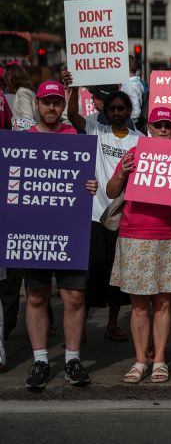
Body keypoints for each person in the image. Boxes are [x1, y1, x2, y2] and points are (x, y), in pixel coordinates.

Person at [22, 81, 98, 390]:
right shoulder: (22, 141)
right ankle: (40, 360)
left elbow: (86, 180)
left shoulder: (76, 138)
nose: (52, 107)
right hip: (34, 232)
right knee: (37, 296)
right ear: (37, 105)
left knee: (74, 296)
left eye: (57, 102)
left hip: (70, 231)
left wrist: (89, 185)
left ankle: (71, 359)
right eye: (47, 102)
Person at [106, 107, 171, 384]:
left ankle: (160, 359)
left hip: (167, 234)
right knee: (138, 306)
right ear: (148, 127)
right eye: (158, 125)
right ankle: (140, 361)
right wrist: (121, 175)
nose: (163, 129)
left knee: (163, 304)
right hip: (134, 235)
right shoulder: (133, 154)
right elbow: (111, 192)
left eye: (168, 125)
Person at [65, 72, 142, 343]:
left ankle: (112, 324)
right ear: (106, 111)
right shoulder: (95, 130)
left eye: (122, 108)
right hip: (95, 214)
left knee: (117, 276)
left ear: (129, 110)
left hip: (124, 218)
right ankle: (80, 327)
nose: (117, 112)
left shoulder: (139, 140)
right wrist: (72, 88)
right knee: (91, 272)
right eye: (112, 108)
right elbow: (72, 115)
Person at [5, 62, 37, 130]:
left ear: (10, 78)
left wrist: (14, 125)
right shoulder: (27, 90)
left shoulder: (23, 92)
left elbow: (28, 120)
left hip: (24, 137)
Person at [121, 54, 144, 126]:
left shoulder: (130, 85)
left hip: (131, 124)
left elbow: (136, 110)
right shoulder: (136, 82)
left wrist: (129, 123)